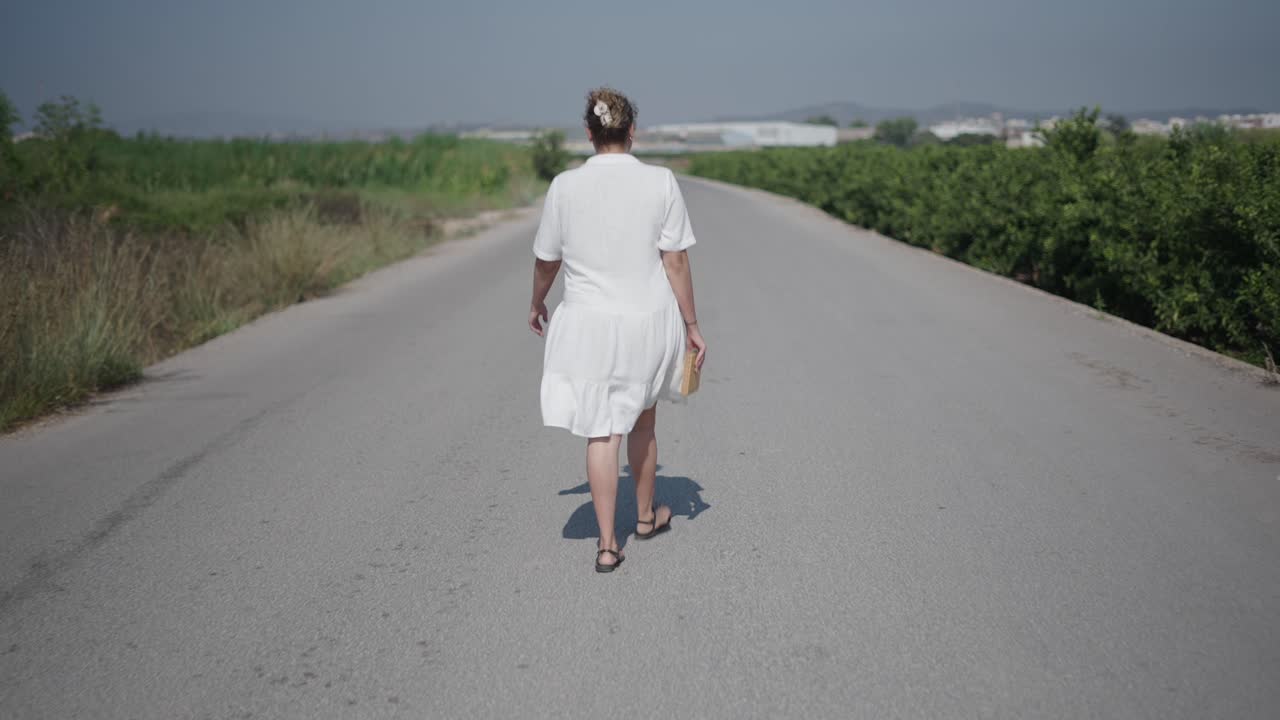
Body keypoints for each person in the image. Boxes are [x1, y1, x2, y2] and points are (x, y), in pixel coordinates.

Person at [528, 87, 707, 573]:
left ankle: (608, 544)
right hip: (647, 320)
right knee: (643, 421)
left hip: (586, 322)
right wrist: (692, 324)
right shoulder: (662, 181)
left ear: (589, 133)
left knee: (601, 431)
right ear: (632, 131)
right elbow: (675, 260)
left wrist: (537, 302)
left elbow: (548, 260)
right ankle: (646, 518)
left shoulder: (564, 186)